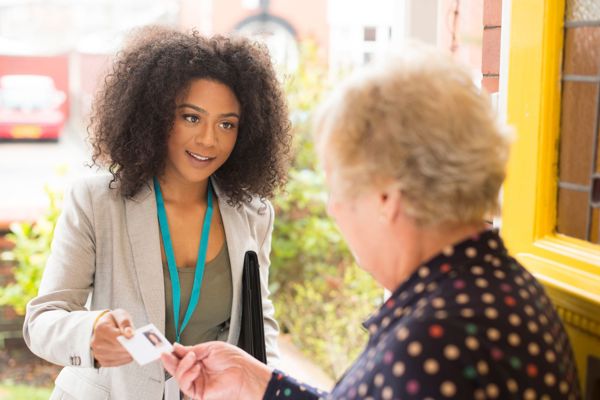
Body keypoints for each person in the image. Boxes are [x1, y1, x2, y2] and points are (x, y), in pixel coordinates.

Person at [161, 45, 583, 399]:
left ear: (386, 198)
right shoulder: (480, 291)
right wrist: (261, 384)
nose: (334, 208)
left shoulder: (437, 341)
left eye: (339, 187)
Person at [23, 26, 291, 400]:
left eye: (227, 124)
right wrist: (91, 332)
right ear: (155, 115)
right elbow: (43, 319)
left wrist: (264, 387)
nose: (209, 140)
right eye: (191, 118)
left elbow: (259, 324)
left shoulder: (254, 214)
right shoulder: (98, 201)